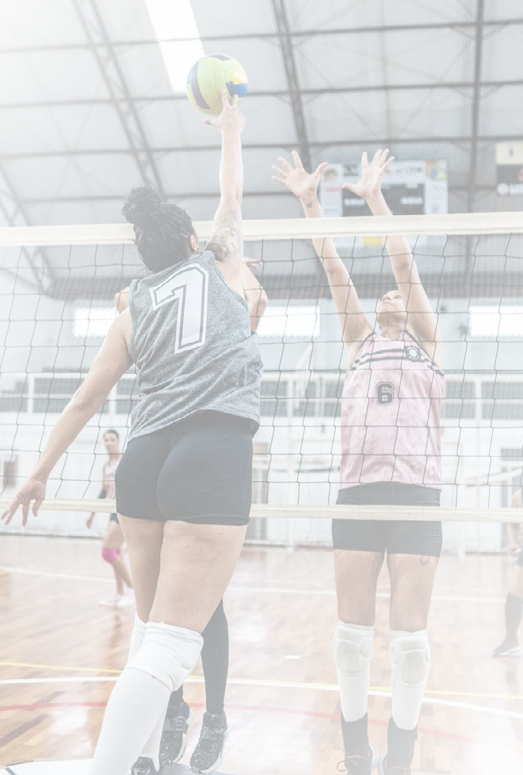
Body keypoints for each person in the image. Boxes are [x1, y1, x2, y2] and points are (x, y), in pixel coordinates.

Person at [2, 91, 262, 775]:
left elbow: (88, 398)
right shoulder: (222, 263)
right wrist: (231, 131)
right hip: (212, 448)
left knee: (151, 627)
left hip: (144, 459)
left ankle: (144, 759)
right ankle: (108, 770)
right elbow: (231, 196)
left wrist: (38, 470)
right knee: (175, 642)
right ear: (188, 243)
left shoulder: (132, 306)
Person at [273, 148, 444, 775]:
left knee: (411, 649)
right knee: (351, 637)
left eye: (400, 293)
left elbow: (403, 260)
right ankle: (355, 754)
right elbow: (334, 269)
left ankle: (399, 760)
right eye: (386, 294)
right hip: (358, 495)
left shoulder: (428, 345)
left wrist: (374, 198)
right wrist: (312, 203)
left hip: (419, 497)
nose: (392, 293)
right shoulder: (359, 342)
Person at [113, 261, 267, 772]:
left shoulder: (225, 293)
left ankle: (215, 716)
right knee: (155, 611)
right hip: (160, 443)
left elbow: (254, 302)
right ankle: (172, 710)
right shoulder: (153, 302)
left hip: (208, 448)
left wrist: (241, 270)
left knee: (203, 608)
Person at [86, 429, 134, 609]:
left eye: (112, 439)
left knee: (108, 552)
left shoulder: (125, 460)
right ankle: (119, 593)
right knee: (116, 553)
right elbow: (103, 492)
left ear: (118, 441)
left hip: (125, 509)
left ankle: (132, 589)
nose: (109, 442)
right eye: (106, 439)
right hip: (110, 509)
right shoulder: (106, 466)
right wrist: (92, 513)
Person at [492, 487, 523, 657]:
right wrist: (512, 541)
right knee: (514, 596)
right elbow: (513, 524)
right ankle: (511, 640)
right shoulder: (518, 496)